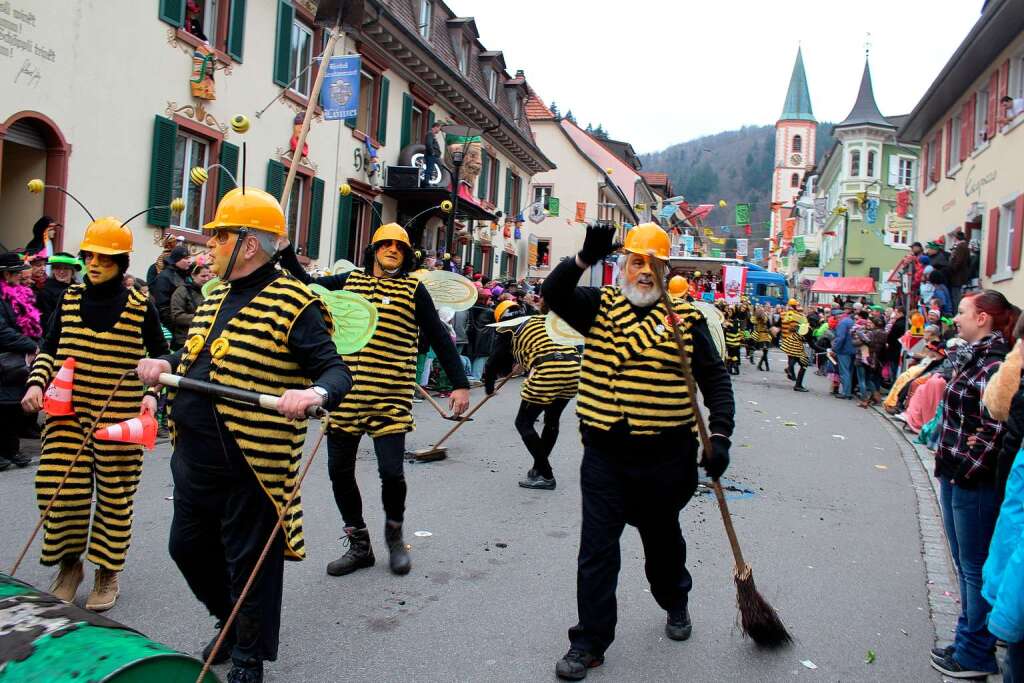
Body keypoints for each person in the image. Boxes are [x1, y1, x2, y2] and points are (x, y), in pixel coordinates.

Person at [137, 187, 352, 683]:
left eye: (219, 235)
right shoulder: (214, 296)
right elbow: (196, 360)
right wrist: (162, 364)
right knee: (186, 548)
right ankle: (230, 624)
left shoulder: (296, 301)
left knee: (249, 564)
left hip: (249, 459)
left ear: (248, 244)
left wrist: (314, 393)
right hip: (192, 454)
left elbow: (336, 371)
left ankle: (249, 659)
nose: (208, 245)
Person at [542, 223, 734, 681]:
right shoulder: (598, 306)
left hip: (665, 459)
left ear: (666, 270)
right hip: (605, 454)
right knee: (597, 550)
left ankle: (676, 599)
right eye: (636, 261)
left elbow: (716, 382)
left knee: (661, 546)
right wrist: (582, 259)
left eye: (653, 263)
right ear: (624, 265)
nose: (644, 271)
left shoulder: (686, 320)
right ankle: (589, 642)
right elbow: (553, 293)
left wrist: (721, 436)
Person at [278, 223, 470, 578]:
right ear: (374, 250)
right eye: (386, 244)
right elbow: (307, 287)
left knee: (392, 473)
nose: (393, 249)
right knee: (339, 473)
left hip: (390, 400)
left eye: (399, 246)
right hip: (346, 398)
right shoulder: (350, 282)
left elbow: (439, 337)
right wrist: (288, 251)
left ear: (407, 253)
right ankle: (359, 544)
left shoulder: (414, 288)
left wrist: (460, 384)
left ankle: (394, 537)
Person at [21, 217, 168, 612]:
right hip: (66, 415)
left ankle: (107, 570)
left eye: (104, 257)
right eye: (89, 255)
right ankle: (69, 567)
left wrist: (153, 394)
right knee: (58, 490)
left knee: (114, 499)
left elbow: (160, 358)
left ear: (121, 261)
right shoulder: (69, 299)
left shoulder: (140, 306)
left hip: (118, 419)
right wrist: (36, 383)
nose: (94, 262)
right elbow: (48, 348)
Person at [930, 290, 1020, 679]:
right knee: (966, 563)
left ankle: (974, 652)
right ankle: (966, 641)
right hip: (956, 471)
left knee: (975, 566)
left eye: (963, 312)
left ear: (983, 318)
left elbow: (996, 424)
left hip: (971, 479)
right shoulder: (974, 357)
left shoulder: (993, 362)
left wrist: (966, 466)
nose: (956, 318)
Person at [482, 297, 580, 490]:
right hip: (573, 368)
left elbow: (493, 362)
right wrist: (524, 360)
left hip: (549, 370)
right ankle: (537, 469)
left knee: (523, 423)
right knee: (552, 421)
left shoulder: (508, 328)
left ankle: (546, 474)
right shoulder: (542, 321)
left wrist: (489, 388)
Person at [0, 252, 40, 470]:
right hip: (4, 361)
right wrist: (31, 345)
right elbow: (3, 331)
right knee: (2, 410)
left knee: (14, 408)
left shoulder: (21, 295)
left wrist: (40, 343)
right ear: (7, 274)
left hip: (18, 363)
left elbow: (34, 324)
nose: (21, 277)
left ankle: (11, 450)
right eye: (17, 274)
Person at [169, 262, 214, 349]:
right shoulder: (182, 291)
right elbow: (177, 316)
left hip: (205, 339)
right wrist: (202, 317)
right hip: (185, 340)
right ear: (193, 275)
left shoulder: (211, 292)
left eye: (209, 275)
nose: (207, 279)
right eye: (203, 276)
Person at [150, 245, 190, 337]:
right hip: (172, 329)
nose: (189, 261)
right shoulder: (164, 277)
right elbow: (162, 306)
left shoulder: (184, 275)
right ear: (176, 260)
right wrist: (173, 329)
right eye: (185, 258)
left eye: (189, 258)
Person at [36, 252, 82, 328]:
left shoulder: (80, 289)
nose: (61, 271)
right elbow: (47, 321)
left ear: (72, 271)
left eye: (66, 268)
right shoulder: (45, 291)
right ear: (53, 270)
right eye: (58, 268)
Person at [780, 299, 810, 392]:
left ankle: (791, 372)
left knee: (792, 357)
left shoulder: (783, 314)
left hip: (786, 339)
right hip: (795, 340)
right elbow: (805, 328)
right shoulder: (799, 317)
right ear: (796, 306)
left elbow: (779, 324)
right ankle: (795, 379)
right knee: (802, 361)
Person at [832, 305, 856, 399]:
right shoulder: (851, 321)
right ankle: (848, 391)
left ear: (838, 316)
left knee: (844, 371)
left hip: (844, 350)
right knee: (849, 371)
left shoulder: (842, 323)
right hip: (853, 349)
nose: (836, 320)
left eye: (835, 318)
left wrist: (835, 348)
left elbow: (841, 338)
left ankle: (846, 392)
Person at [947, 231, 971, 309]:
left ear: (956, 238)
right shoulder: (964, 246)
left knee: (956, 299)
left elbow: (958, 261)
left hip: (957, 277)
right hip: (959, 276)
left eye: (954, 237)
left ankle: (957, 315)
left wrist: (951, 269)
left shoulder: (961, 247)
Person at [422, 120, 443, 187]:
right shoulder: (430, 133)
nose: (439, 131)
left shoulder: (431, 134)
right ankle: (426, 183)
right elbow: (429, 144)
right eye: (439, 128)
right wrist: (432, 153)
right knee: (429, 169)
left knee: (432, 169)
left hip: (433, 156)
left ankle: (429, 181)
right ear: (436, 127)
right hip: (431, 155)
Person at [752, 305, 772, 371]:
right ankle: (765, 366)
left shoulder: (764, 316)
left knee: (765, 352)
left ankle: (762, 366)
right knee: (765, 351)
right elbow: (765, 322)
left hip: (766, 335)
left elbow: (769, 325)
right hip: (762, 336)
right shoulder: (759, 317)